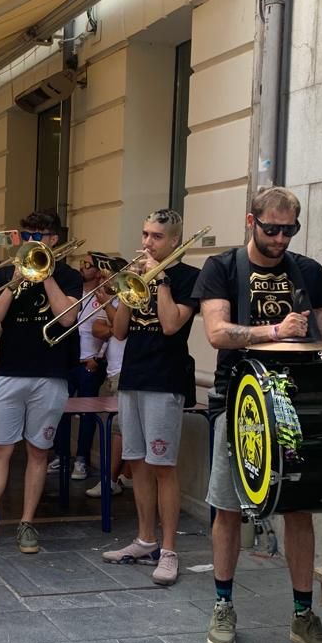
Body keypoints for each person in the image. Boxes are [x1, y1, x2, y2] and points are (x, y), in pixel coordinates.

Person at [193, 186, 322, 643]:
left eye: (289, 230)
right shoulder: (223, 268)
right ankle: (222, 605)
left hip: (294, 401)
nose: (280, 239)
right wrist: (275, 331)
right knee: (229, 508)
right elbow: (217, 333)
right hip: (238, 400)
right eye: (272, 228)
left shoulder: (307, 272)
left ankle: (302, 615)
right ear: (250, 221)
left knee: (299, 507)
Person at [0, 210, 82, 555]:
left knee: (38, 452)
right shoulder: (8, 274)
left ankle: (27, 524)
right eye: (27, 237)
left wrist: (46, 275)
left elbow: (68, 317)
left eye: (38, 237)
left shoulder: (68, 276)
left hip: (50, 374)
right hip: (9, 372)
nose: (31, 243)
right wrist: (14, 281)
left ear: (54, 239)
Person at [101, 209, 200, 586]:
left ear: (174, 241)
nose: (147, 243)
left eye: (156, 237)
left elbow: (173, 324)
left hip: (165, 379)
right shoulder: (136, 272)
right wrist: (129, 287)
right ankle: (145, 540)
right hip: (132, 378)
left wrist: (159, 280)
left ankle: (169, 550)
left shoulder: (190, 277)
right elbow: (120, 332)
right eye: (145, 234)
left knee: (163, 467)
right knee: (137, 464)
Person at [50, 253, 111, 480]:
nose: (82, 267)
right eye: (81, 263)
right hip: (68, 362)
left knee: (87, 414)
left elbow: (109, 329)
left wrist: (98, 358)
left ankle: (82, 459)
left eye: (88, 265)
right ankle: (61, 455)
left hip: (89, 363)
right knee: (60, 410)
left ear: (98, 271)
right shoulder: (72, 292)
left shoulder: (102, 295)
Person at [86, 290, 131, 497]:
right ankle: (125, 475)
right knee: (122, 428)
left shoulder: (127, 299)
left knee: (118, 430)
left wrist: (109, 311)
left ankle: (109, 480)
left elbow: (122, 330)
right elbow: (96, 329)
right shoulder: (113, 301)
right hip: (113, 371)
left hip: (125, 371)